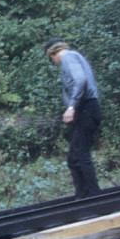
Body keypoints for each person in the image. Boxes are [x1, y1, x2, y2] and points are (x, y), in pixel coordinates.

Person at [45, 39, 100, 196]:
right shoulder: (74, 57)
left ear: (52, 54)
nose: (54, 62)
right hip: (86, 110)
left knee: (80, 156)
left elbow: (80, 80)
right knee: (75, 157)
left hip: (87, 109)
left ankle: (93, 197)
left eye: (51, 59)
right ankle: (83, 196)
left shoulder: (67, 57)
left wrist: (71, 107)